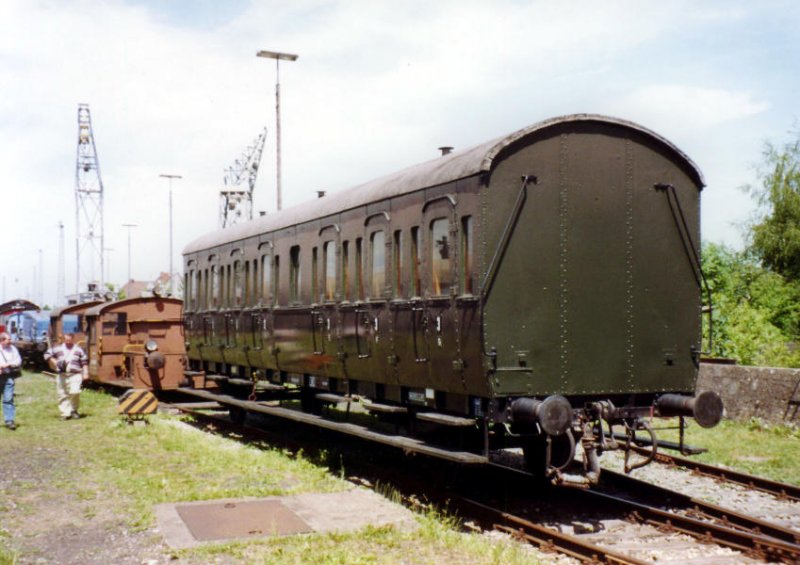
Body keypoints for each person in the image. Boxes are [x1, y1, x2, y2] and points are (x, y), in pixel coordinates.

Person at [44, 332, 89, 420]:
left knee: (75, 392)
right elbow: (46, 354)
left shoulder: (78, 349)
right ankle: (65, 413)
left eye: (69, 340)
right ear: (64, 339)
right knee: (62, 393)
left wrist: (86, 372)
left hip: (75, 374)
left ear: (73, 339)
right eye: (66, 339)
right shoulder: (58, 349)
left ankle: (74, 410)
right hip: (62, 374)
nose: (68, 341)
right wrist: (54, 361)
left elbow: (84, 361)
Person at [0, 331, 22, 430]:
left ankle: (9, 421)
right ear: (2, 340)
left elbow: (18, 361)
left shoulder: (13, 349)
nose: (10, 341)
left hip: (8, 376)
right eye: (8, 339)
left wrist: (8, 364)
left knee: (8, 399)